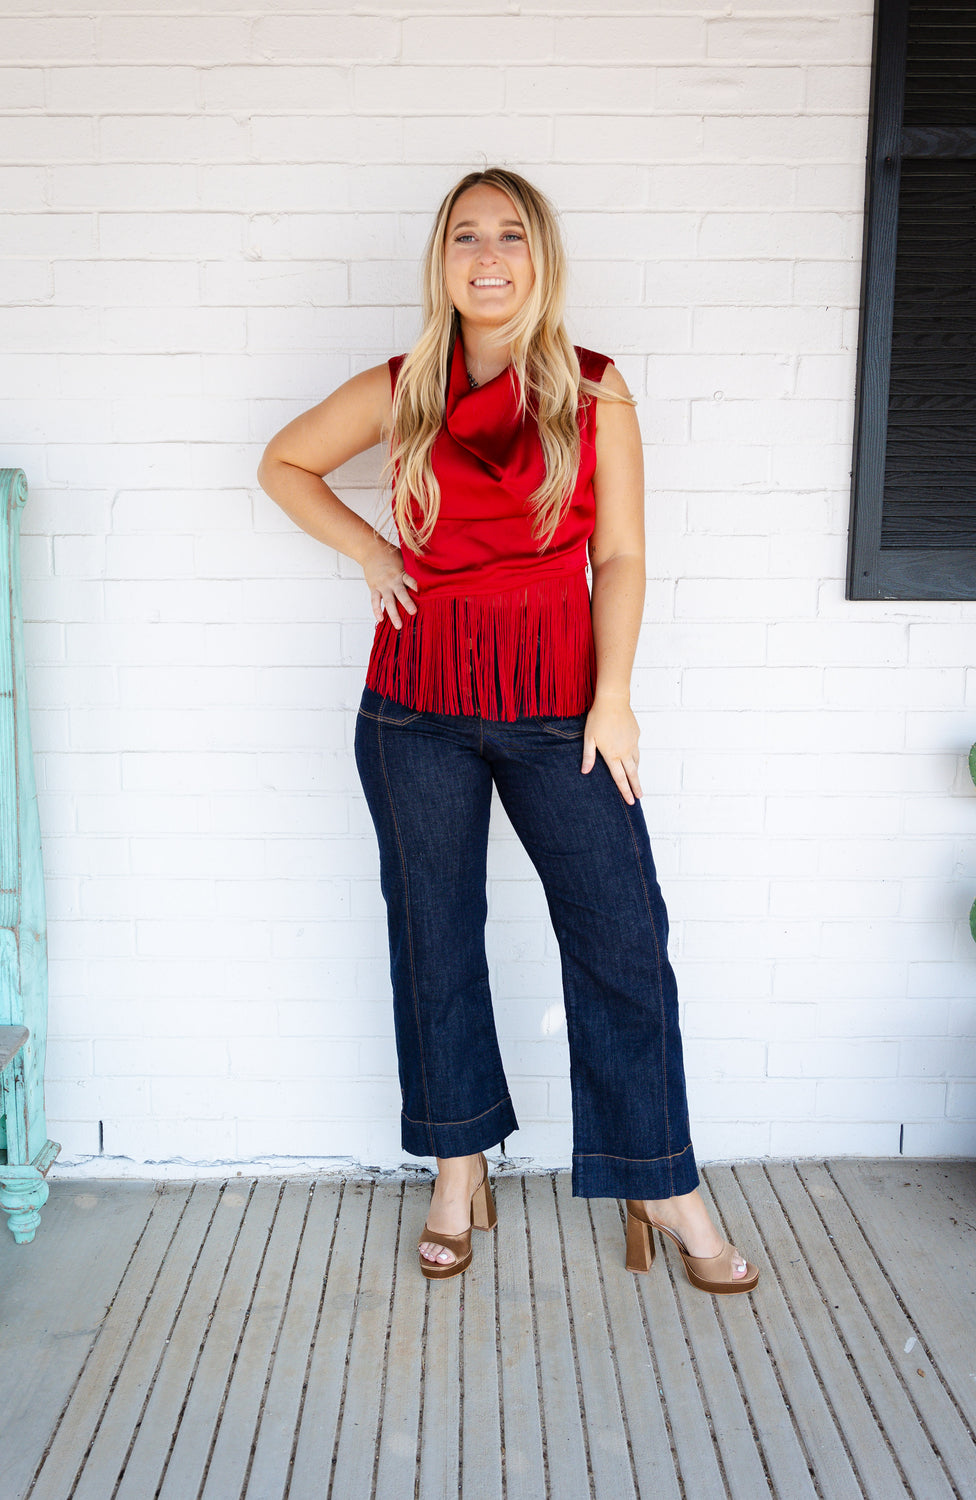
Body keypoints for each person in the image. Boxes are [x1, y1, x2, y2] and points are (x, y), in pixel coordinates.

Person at [257, 167, 757, 1294]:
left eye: (511, 236)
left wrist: (612, 693)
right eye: (466, 237)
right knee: (433, 936)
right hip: (413, 708)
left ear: (541, 257)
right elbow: (283, 462)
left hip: (556, 711)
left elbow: (619, 556)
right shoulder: (404, 386)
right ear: (441, 261)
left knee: (623, 938)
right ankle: (456, 1162)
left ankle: (658, 1177)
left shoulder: (594, 390)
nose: (489, 256)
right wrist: (373, 551)